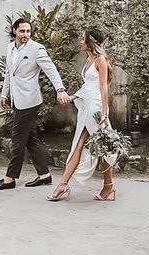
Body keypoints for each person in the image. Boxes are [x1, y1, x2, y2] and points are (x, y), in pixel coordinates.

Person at [0, 18, 71, 190]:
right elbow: (9, 73)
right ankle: (44, 175)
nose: (25, 34)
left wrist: (60, 89)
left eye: (28, 31)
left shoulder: (36, 49)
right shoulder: (10, 47)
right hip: (17, 99)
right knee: (31, 138)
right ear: (14, 31)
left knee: (18, 139)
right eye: (22, 31)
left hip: (30, 100)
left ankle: (9, 179)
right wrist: (4, 94)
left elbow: (50, 69)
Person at [47, 28, 117, 202]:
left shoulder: (100, 60)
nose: (80, 41)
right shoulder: (89, 59)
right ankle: (107, 187)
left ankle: (64, 184)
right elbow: (88, 86)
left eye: (82, 38)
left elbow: (103, 87)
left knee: (97, 145)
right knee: (91, 145)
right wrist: (72, 96)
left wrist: (103, 112)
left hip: (96, 107)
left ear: (90, 41)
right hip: (86, 106)